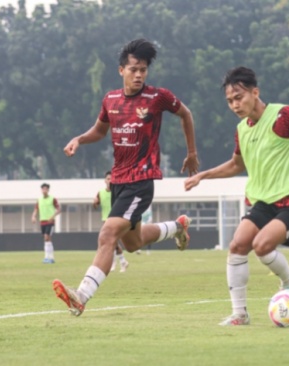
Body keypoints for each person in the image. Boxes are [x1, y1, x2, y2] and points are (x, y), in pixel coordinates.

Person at [52, 38, 200, 317]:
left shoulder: (158, 98)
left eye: (143, 69)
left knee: (108, 234)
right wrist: (79, 140)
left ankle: (81, 296)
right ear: (121, 71)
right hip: (119, 181)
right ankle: (178, 227)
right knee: (133, 243)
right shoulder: (110, 99)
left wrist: (191, 152)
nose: (139, 74)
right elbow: (99, 130)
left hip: (141, 182)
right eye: (134, 69)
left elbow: (186, 114)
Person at [184, 66, 289, 326]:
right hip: (265, 203)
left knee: (262, 245)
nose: (234, 105)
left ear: (255, 92)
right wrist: (203, 175)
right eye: (229, 101)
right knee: (237, 245)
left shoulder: (285, 116)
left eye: (239, 97)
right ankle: (239, 315)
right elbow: (236, 165)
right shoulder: (242, 130)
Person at [93, 171, 129, 272]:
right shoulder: (100, 193)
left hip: (115, 219)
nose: (110, 181)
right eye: (108, 179)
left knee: (112, 242)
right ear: (105, 180)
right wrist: (95, 203)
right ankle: (122, 262)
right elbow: (96, 205)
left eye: (112, 179)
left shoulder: (117, 192)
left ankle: (117, 263)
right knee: (112, 243)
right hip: (105, 220)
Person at [32, 183, 61, 263]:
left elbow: (59, 209)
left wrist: (52, 217)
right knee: (46, 239)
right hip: (42, 222)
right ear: (41, 190)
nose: (44, 191)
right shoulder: (39, 200)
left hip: (50, 222)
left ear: (48, 190)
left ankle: (50, 257)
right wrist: (33, 216)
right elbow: (36, 210)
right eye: (43, 189)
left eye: (46, 189)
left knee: (47, 237)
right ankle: (47, 257)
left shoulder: (52, 199)